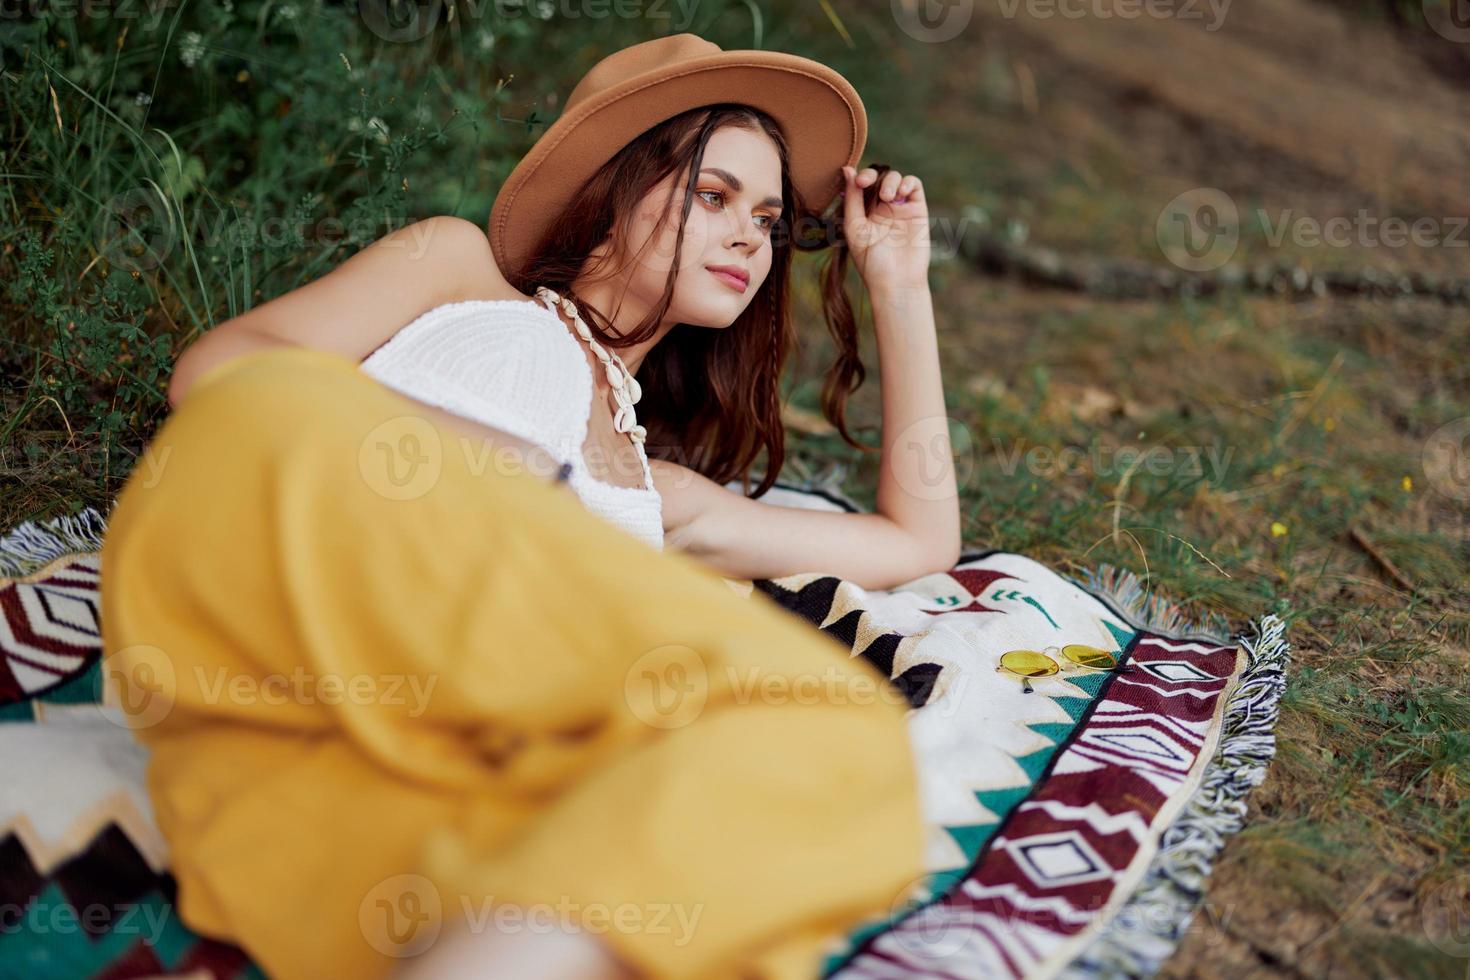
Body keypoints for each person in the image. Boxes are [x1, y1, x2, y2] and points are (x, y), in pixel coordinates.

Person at [100, 33, 952, 980]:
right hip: (311, 568)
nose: (754, 237)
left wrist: (898, 280)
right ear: (609, 195)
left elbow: (918, 540)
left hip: (427, 723)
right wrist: (451, 459)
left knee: (840, 731)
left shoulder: (655, 492)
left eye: (769, 218)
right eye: (714, 197)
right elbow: (223, 376)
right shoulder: (458, 271)